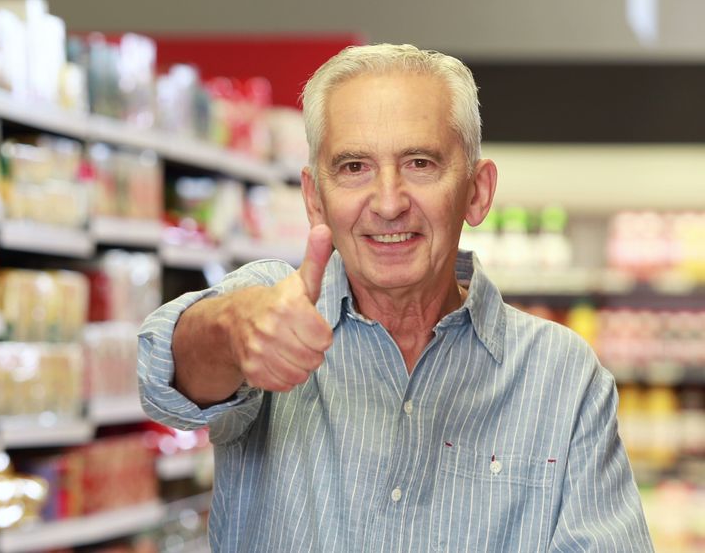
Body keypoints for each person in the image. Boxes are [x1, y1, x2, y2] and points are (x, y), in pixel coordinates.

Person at [137, 44, 653, 552]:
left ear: (476, 192)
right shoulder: (271, 306)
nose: (388, 203)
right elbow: (162, 376)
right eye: (354, 167)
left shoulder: (562, 375)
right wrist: (232, 331)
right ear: (315, 197)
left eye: (420, 163)